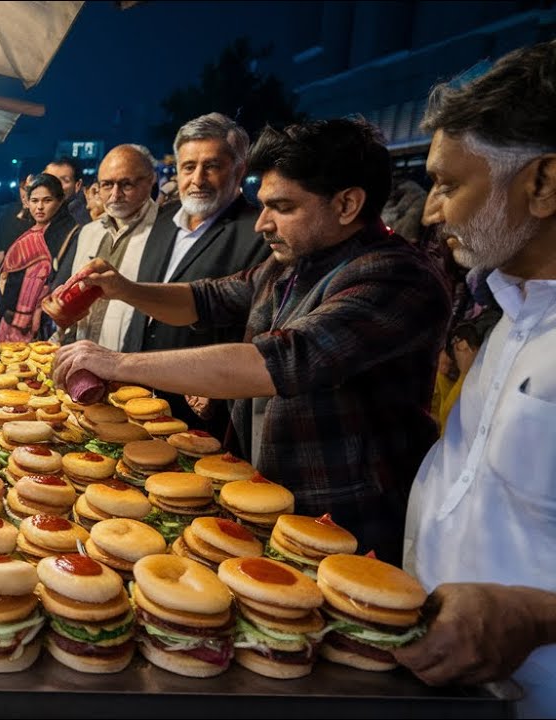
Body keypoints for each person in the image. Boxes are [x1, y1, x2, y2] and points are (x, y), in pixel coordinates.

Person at [54, 118, 451, 563]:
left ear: (347, 204)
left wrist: (118, 364)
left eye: (281, 206)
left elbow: (279, 361)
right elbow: (210, 298)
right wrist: (126, 288)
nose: (262, 223)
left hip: (342, 512)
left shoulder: (395, 277)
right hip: (266, 491)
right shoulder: (294, 262)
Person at [396, 40, 556, 718]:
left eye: (449, 184)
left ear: (543, 184)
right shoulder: (503, 308)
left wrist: (533, 613)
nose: (432, 211)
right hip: (447, 688)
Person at [122, 113, 270, 435]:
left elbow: (255, 327)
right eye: (188, 167)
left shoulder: (259, 233)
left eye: (212, 166)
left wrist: (216, 394)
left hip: (202, 405)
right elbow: (143, 310)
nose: (198, 179)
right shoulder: (163, 221)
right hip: (139, 393)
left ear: (240, 170)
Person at [59, 144, 159, 350]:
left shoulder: (165, 232)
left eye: (126, 184)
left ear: (150, 181)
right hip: (83, 359)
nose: (115, 194)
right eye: (107, 185)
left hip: (135, 366)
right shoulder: (89, 232)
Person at [0, 173, 79, 342]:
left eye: (47, 200)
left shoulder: (67, 234)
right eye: (34, 201)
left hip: (37, 324)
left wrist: (23, 318)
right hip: (10, 319)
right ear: (27, 202)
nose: (39, 207)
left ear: (60, 201)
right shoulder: (30, 232)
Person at [0, 175, 34, 270]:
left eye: (32, 188)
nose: (26, 193)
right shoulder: (8, 212)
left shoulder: (48, 217)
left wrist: (6, 256)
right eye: (23, 187)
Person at [46, 156, 92, 226]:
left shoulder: (82, 219)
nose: (55, 185)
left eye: (64, 180)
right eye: (49, 179)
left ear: (78, 185)